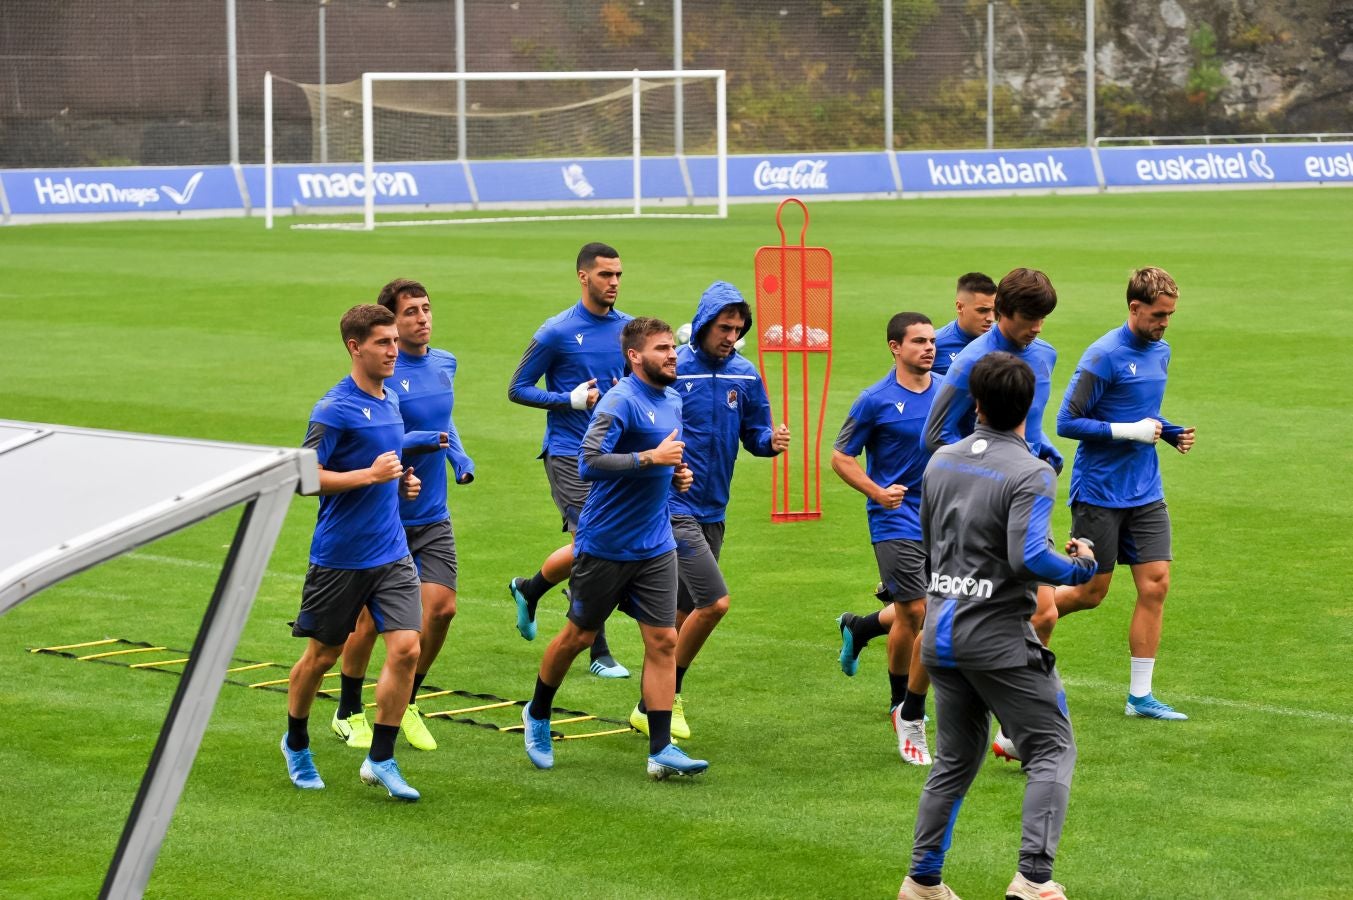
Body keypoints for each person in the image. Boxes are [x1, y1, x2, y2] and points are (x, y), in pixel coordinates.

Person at [900, 352, 1097, 900]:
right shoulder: (1032, 471)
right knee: (1052, 748)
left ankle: (922, 881)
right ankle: (1033, 880)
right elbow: (1028, 556)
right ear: (1031, 406)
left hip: (940, 632)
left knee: (955, 760)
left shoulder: (940, 461)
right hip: (996, 638)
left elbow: (930, 542)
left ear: (976, 403)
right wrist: (1079, 567)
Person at [520, 317, 709, 780]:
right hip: (605, 543)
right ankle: (537, 711)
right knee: (579, 637)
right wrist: (650, 459)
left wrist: (675, 473)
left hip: (656, 543)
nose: (672, 354)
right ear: (634, 356)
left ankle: (660, 749)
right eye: (662, 348)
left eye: (672, 347)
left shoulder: (672, 399)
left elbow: (664, 457)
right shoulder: (619, 401)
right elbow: (588, 462)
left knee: (663, 640)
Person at [626, 282, 789, 741]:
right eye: (724, 328)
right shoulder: (674, 369)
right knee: (714, 603)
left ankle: (647, 707)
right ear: (702, 325)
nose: (731, 337)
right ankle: (671, 694)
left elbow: (754, 434)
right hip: (672, 504)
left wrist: (770, 442)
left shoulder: (746, 374)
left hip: (715, 507)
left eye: (738, 330)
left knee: (679, 615)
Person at [280, 304, 425, 802]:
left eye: (395, 340)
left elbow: (387, 465)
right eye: (383, 342)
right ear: (354, 347)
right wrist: (369, 476)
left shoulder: (391, 399)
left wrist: (401, 483)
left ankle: (381, 758)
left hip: (392, 552)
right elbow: (303, 478)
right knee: (322, 656)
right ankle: (296, 742)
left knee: (406, 649)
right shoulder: (333, 409)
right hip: (340, 557)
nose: (394, 350)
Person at [330, 280, 475, 755]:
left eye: (426, 308)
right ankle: (348, 710)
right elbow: (383, 433)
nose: (422, 318)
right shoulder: (383, 372)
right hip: (385, 513)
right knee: (370, 623)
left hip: (431, 511)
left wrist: (457, 455)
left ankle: (407, 699)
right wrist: (422, 442)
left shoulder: (445, 363)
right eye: (410, 312)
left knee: (442, 609)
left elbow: (444, 420)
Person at [1053, 267, 1196, 720]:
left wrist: (1166, 431)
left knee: (1156, 584)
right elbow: (1066, 422)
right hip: (1100, 491)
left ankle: (1140, 697)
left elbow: (1141, 412)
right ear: (1135, 308)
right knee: (1090, 592)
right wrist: (1129, 431)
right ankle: (1024, 612)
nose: (1165, 323)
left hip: (1145, 490)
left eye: (1170, 315)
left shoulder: (1162, 351)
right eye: (1158, 315)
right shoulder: (1104, 355)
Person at [507, 242, 632, 678]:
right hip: (568, 454)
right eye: (605, 275)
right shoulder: (556, 332)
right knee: (593, 547)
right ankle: (599, 650)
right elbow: (517, 388)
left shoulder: (629, 329)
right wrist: (568, 400)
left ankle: (529, 589)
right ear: (583, 277)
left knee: (595, 546)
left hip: (615, 456)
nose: (613, 282)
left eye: (618, 275)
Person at [831, 313, 942, 766]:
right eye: (918, 341)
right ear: (895, 347)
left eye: (932, 340)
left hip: (942, 517)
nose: (929, 348)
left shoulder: (948, 392)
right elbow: (841, 456)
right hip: (894, 518)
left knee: (933, 609)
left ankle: (860, 628)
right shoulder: (874, 400)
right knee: (916, 611)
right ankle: (903, 706)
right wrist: (876, 491)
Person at [932, 272, 997, 376]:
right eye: (982, 310)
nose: (991, 318)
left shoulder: (1005, 338)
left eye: (994, 310)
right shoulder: (934, 345)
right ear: (960, 307)